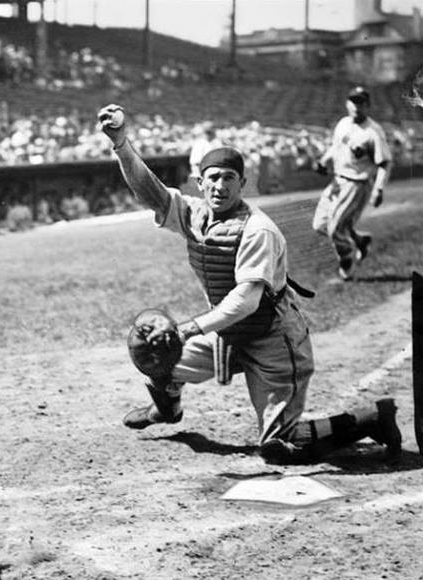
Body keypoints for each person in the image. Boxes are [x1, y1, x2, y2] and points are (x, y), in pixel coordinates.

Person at [96, 103, 402, 466]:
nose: (220, 186)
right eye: (213, 178)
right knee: (154, 356)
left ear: (242, 184)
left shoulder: (258, 229)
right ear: (200, 181)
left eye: (229, 178)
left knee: (281, 447)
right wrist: (120, 143)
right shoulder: (193, 213)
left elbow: (245, 300)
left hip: (272, 337)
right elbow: (150, 191)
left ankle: (373, 418)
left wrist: (190, 328)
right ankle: (167, 408)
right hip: (226, 334)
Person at [311, 86, 391, 281]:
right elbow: (335, 148)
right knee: (319, 224)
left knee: (335, 229)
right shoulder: (343, 124)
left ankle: (347, 262)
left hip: (357, 184)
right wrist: (323, 161)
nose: (357, 106)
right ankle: (359, 240)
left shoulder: (373, 132)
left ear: (367, 106)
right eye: (353, 101)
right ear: (347, 104)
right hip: (338, 180)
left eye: (361, 102)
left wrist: (379, 189)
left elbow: (384, 163)